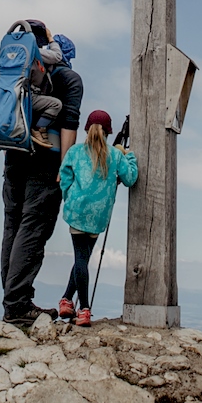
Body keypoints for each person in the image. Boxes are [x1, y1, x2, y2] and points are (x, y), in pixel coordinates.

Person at [0, 21, 83, 325]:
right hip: (45, 161)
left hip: (13, 156)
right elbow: (69, 124)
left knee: (13, 225)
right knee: (34, 228)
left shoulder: (15, 72)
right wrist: (65, 168)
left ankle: (14, 301)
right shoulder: (69, 78)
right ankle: (18, 305)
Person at [58, 109, 138, 327]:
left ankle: (68, 301)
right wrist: (129, 156)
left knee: (80, 258)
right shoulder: (115, 155)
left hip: (76, 211)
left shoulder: (75, 152)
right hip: (98, 215)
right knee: (82, 259)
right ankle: (82, 308)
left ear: (87, 129)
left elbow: (64, 178)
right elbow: (130, 178)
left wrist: (69, 199)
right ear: (108, 132)